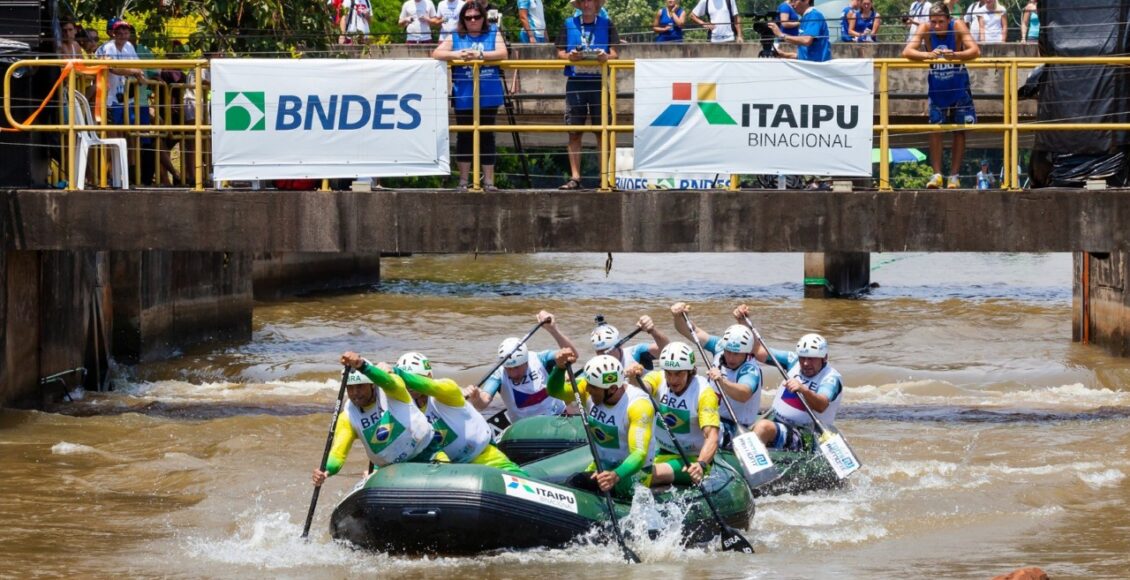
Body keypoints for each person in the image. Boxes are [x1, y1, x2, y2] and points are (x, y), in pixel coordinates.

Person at [388, 351, 526, 473]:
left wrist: (397, 373)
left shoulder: (447, 391)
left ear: (429, 376)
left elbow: (429, 386)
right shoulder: (404, 410)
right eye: (404, 383)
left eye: (414, 379)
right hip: (452, 470)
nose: (409, 386)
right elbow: (392, 446)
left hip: (483, 457)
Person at [311, 353, 436, 486]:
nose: (355, 393)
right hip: (390, 470)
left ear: (372, 385)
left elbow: (390, 381)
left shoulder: (391, 389)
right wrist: (325, 471)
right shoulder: (347, 416)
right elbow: (338, 454)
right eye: (350, 388)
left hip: (427, 453)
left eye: (360, 386)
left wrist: (362, 366)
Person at [546, 352, 656, 497]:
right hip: (601, 465)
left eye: (594, 388)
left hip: (631, 474)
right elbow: (555, 391)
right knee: (563, 484)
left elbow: (639, 453)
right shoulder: (590, 387)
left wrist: (615, 475)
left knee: (576, 482)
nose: (588, 390)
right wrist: (559, 368)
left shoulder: (638, 406)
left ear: (612, 388)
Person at [902, 4, 980, 190]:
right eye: (934, 22)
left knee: (959, 130)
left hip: (959, 86)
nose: (937, 26)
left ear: (948, 19)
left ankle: (954, 176)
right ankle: (936, 174)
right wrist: (927, 55)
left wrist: (955, 55)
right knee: (935, 128)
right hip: (937, 86)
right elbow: (907, 51)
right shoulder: (925, 28)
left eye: (941, 22)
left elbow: (975, 50)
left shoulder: (958, 25)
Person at [432, 1, 507, 190]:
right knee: (464, 136)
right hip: (464, 95)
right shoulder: (456, 35)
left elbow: (503, 53)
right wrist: (457, 54)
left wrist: (479, 55)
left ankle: (489, 182)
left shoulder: (493, 32)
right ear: (463, 20)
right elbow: (436, 53)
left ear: (483, 17)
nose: (473, 20)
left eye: (477, 17)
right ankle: (464, 181)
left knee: (487, 135)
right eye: (468, 17)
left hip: (488, 94)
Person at [737, 321, 846, 451]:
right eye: (803, 358)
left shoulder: (831, 378)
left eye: (812, 358)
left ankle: (754, 466)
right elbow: (758, 351)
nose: (805, 363)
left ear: (825, 358)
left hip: (806, 436)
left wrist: (803, 390)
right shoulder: (793, 360)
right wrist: (744, 323)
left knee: (763, 427)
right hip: (776, 420)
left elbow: (821, 405)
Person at [626, 342, 720, 486]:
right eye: (668, 373)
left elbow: (712, 436)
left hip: (691, 459)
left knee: (645, 476)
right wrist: (633, 377)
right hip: (662, 452)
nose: (672, 380)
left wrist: (701, 464)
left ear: (690, 371)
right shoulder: (658, 378)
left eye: (678, 374)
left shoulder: (704, 393)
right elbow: (642, 390)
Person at [669, 303, 763, 441]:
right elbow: (690, 331)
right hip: (710, 415)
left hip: (734, 425)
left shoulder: (750, 369)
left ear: (747, 352)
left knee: (691, 425)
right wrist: (678, 316)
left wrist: (721, 381)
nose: (730, 358)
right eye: (728, 352)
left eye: (736, 354)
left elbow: (744, 393)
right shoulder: (720, 347)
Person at [464, 310, 578, 420]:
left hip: (557, 417)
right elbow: (482, 403)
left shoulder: (540, 359)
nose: (514, 373)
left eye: (517, 367)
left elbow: (573, 355)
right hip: (525, 428)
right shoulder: (499, 373)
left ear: (526, 361)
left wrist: (553, 330)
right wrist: (476, 397)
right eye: (509, 368)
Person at [555, 0, 619, 190]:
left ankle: (604, 178)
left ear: (597, 4)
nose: (587, 4)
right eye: (583, 0)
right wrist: (571, 56)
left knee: (602, 131)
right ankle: (575, 177)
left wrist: (605, 57)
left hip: (599, 82)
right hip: (576, 80)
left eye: (591, 0)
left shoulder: (607, 24)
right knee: (574, 131)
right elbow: (559, 52)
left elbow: (615, 53)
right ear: (579, 5)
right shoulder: (568, 24)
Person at [590, 315, 669, 371]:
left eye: (608, 350)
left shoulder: (636, 353)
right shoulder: (594, 367)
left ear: (620, 345)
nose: (605, 356)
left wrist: (652, 330)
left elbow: (666, 350)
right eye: (600, 352)